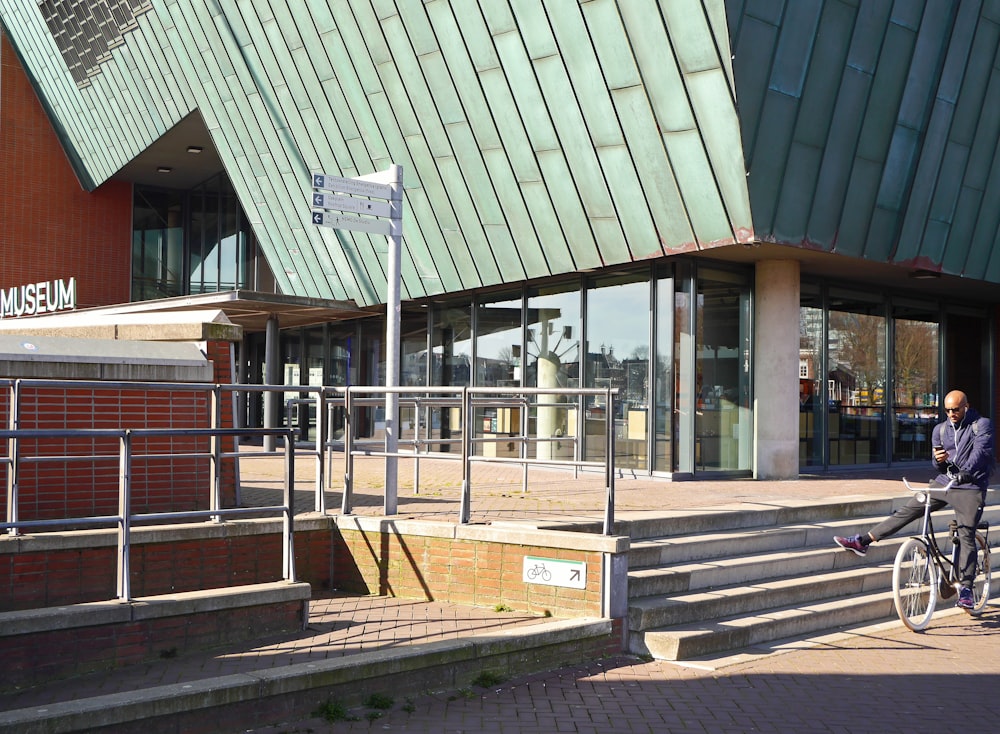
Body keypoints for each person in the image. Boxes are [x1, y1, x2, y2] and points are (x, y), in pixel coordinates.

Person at [833, 390, 994, 609]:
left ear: (966, 406)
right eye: (947, 410)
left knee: (966, 534)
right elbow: (938, 465)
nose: (951, 414)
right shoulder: (940, 429)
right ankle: (863, 542)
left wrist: (965, 472)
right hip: (944, 482)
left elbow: (980, 454)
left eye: (955, 409)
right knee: (908, 509)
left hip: (970, 486)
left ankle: (965, 589)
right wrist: (939, 462)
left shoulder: (981, 424)